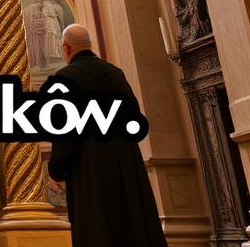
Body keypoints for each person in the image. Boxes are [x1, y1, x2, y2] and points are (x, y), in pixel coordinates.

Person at [48, 24, 168, 247]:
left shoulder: (64, 78)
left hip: (88, 167)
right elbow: (134, 117)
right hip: (125, 163)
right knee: (131, 226)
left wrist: (56, 169)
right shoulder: (115, 73)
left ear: (65, 48)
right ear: (90, 46)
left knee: (97, 227)